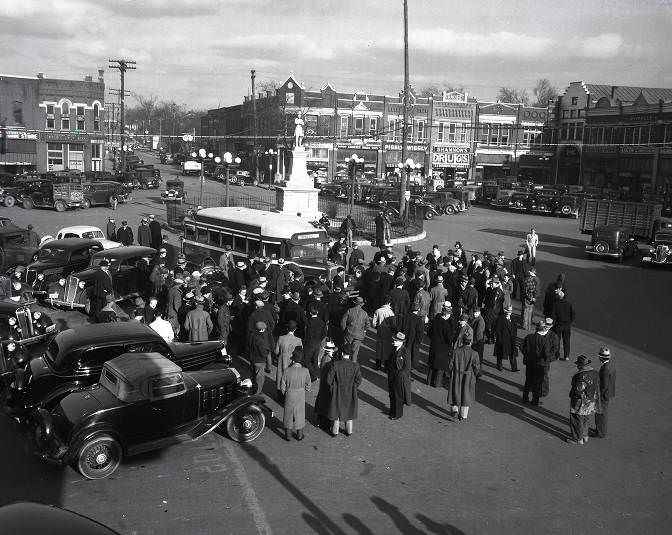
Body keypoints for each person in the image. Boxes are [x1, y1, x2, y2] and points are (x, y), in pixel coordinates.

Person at [326, 344, 362, 436]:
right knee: (349, 410)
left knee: (336, 410)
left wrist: (333, 387)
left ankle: (335, 431)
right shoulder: (355, 366)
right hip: (350, 391)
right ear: (350, 354)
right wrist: (353, 387)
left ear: (342, 353)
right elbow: (358, 380)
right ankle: (349, 430)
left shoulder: (336, 364)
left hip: (337, 391)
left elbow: (329, 380)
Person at [447, 326, 480, 421]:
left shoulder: (456, 351)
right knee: (466, 395)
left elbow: (450, 364)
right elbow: (477, 367)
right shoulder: (474, 353)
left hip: (456, 375)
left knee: (455, 392)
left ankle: (455, 409)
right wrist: (476, 375)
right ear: (470, 342)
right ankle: (463, 415)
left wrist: (449, 373)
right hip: (468, 376)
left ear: (462, 341)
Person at [567, 354, 600, 445]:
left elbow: (578, 389)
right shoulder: (595, 372)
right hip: (591, 400)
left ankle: (577, 439)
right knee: (586, 418)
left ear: (581, 365)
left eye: (578, 364)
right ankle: (585, 436)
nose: (577, 366)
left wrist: (572, 396)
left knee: (576, 419)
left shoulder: (581, 375)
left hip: (580, 401)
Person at [280, 347, 312, 441]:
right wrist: (304, 390)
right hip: (300, 394)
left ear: (293, 359)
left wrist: (286, 393)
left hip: (289, 394)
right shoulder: (305, 370)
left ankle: (288, 436)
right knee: (300, 415)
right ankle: (299, 435)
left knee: (288, 415)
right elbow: (308, 384)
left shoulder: (287, 370)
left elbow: (282, 386)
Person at [521, 320, 552, 405]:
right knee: (537, 384)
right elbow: (546, 354)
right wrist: (548, 359)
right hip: (539, 365)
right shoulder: (543, 340)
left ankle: (525, 398)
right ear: (543, 329)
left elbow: (522, 347)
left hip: (529, 363)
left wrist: (526, 355)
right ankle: (535, 401)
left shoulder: (529, 337)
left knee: (528, 381)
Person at [427, 301, 455, 387]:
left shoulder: (434, 321)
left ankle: (429, 381)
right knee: (440, 367)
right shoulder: (446, 325)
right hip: (443, 348)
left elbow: (429, 333)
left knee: (432, 365)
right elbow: (449, 339)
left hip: (434, 346)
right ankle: (437, 383)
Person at [275, 320, 303, 400]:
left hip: (282, 361)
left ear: (287, 328)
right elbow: (300, 353)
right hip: (292, 362)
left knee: (280, 377)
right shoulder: (298, 340)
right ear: (295, 329)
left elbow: (276, 351)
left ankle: (280, 396)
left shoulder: (281, 338)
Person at [387, 332, 412, 420]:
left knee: (398, 395)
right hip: (391, 375)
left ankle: (398, 414)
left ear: (401, 342)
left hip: (399, 377)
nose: (394, 341)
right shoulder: (394, 349)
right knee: (392, 394)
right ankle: (392, 410)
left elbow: (407, 367)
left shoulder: (406, 351)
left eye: (396, 340)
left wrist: (399, 375)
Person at [592, 347, 616, 438]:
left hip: (603, 395)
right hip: (608, 393)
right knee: (603, 413)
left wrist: (598, 395)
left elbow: (604, 385)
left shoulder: (605, 369)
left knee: (600, 414)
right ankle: (600, 430)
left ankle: (600, 432)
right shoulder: (611, 365)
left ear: (602, 358)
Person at [314, 340, 338, 430]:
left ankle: (320, 420)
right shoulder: (328, 360)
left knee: (322, 401)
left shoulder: (325, 358)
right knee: (326, 403)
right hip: (326, 384)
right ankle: (323, 423)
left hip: (323, 384)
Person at [340, 296, 370, 363]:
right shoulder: (365, 314)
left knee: (346, 350)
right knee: (354, 353)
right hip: (359, 336)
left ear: (355, 303)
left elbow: (342, 322)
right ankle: (353, 367)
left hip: (348, 333)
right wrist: (363, 331)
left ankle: (343, 364)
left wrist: (344, 330)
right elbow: (368, 325)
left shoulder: (349, 310)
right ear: (361, 304)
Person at [248, 321, 272, 395]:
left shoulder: (252, 335)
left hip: (252, 359)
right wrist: (267, 352)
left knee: (254, 377)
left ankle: (254, 390)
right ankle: (257, 395)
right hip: (259, 361)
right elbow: (263, 352)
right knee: (260, 380)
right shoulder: (260, 339)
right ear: (261, 329)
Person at [372, 297, 396, 371]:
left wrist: (377, 327)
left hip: (380, 330)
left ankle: (377, 365)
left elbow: (373, 323)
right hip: (388, 331)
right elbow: (394, 324)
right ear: (389, 303)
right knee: (387, 348)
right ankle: (386, 366)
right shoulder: (391, 312)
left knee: (379, 347)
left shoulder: (378, 310)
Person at [551, 290, 575, 361]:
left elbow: (553, 316)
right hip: (567, 325)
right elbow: (573, 314)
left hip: (558, 325)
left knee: (557, 340)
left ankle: (557, 355)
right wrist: (570, 321)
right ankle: (566, 356)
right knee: (567, 340)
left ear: (558, 296)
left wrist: (552, 324)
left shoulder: (555, 304)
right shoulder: (568, 303)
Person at [494, 305, 518, 371]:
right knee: (500, 353)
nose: (508, 313)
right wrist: (499, 339)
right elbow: (497, 329)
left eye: (510, 311)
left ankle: (514, 367)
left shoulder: (513, 319)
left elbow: (515, 329)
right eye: (507, 311)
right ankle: (499, 366)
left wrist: (514, 337)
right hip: (503, 339)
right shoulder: (500, 318)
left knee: (512, 353)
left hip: (511, 339)